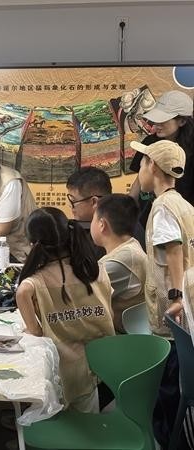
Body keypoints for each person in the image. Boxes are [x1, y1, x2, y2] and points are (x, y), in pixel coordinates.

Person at [15, 207, 115, 413]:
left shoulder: (34, 283)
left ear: (33, 244)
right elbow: (108, 313)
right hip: (101, 365)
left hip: (62, 371)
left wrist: (30, 330)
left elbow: (33, 326)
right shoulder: (96, 270)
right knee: (88, 419)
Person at [134, 139, 194, 448]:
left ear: (153, 166)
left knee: (170, 386)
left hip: (173, 313)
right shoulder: (183, 204)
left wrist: (175, 297)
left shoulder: (162, 208)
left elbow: (173, 250)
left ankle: (173, 440)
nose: (140, 171)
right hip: (186, 308)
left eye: (142, 164)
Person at [129, 90, 194, 225]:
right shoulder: (150, 142)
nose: (156, 124)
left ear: (182, 121)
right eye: (156, 118)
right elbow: (138, 182)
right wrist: (126, 208)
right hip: (148, 218)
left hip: (181, 221)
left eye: (163, 120)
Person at [90, 194, 146, 333]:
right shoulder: (130, 249)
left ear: (102, 224)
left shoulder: (121, 261)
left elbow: (80, 293)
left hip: (123, 340)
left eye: (93, 219)